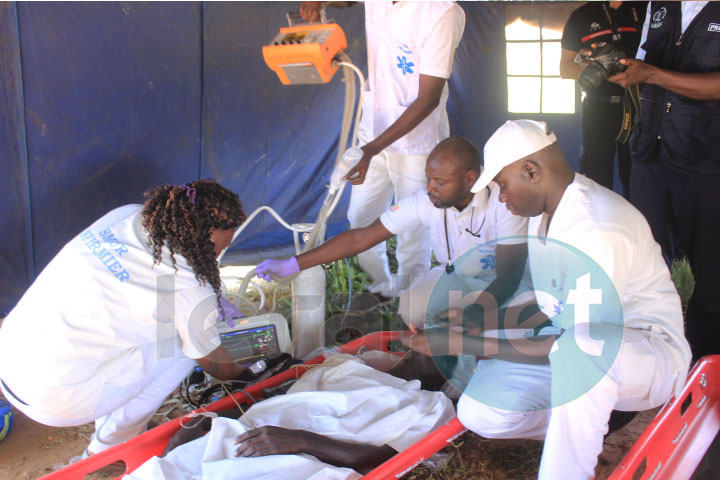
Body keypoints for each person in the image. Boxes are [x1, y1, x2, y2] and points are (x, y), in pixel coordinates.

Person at [402, 120, 691, 479]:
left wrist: (463, 342)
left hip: (645, 357)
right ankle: (588, 417)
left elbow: (571, 340)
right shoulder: (546, 217)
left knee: (580, 349)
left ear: (531, 171)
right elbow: (549, 311)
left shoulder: (596, 227)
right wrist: (476, 322)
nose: (501, 198)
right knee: (479, 411)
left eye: (503, 186)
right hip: (577, 350)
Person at [0, 179, 248, 456]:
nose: (223, 249)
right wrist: (248, 375)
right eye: (225, 241)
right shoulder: (188, 287)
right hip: (56, 400)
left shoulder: (128, 215)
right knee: (181, 349)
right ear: (210, 233)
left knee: (166, 329)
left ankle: (122, 422)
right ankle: (110, 447)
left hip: (11, 357)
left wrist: (199, 307)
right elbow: (217, 366)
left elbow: (154, 280)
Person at [254, 136, 529, 332]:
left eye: (440, 182)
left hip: (506, 289)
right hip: (459, 279)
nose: (430, 187)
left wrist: (472, 316)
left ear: (470, 178)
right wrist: (293, 264)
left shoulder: (504, 203)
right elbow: (362, 237)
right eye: (428, 179)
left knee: (488, 333)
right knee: (411, 308)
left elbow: (510, 277)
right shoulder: (428, 199)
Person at [300, 1, 466, 301]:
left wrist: (371, 150)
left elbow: (427, 99)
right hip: (373, 130)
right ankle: (382, 287)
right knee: (360, 216)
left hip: (417, 146)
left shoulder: (442, 12)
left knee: (413, 231)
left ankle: (410, 301)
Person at [123, 354, 455, 480]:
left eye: (443, 337)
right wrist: (182, 444)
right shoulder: (341, 367)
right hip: (241, 436)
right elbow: (279, 403)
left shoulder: (429, 407)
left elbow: (385, 462)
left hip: (295, 458)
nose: (424, 335)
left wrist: (300, 441)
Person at [608, 1, 720, 360]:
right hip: (650, 155)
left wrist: (652, 75)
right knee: (644, 260)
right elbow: (643, 58)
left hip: (707, 160)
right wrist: (619, 66)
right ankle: (648, 357)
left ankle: (704, 362)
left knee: (712, 272)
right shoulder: (660, 5)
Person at [560, 1, 647, 197]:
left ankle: (639, 224)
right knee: (595, 178)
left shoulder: (645, 9)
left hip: (638, 107)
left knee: (638, 176)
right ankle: (600, 224)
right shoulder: (581, 15)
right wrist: (589, 68)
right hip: (598, 108)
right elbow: (564, 69)